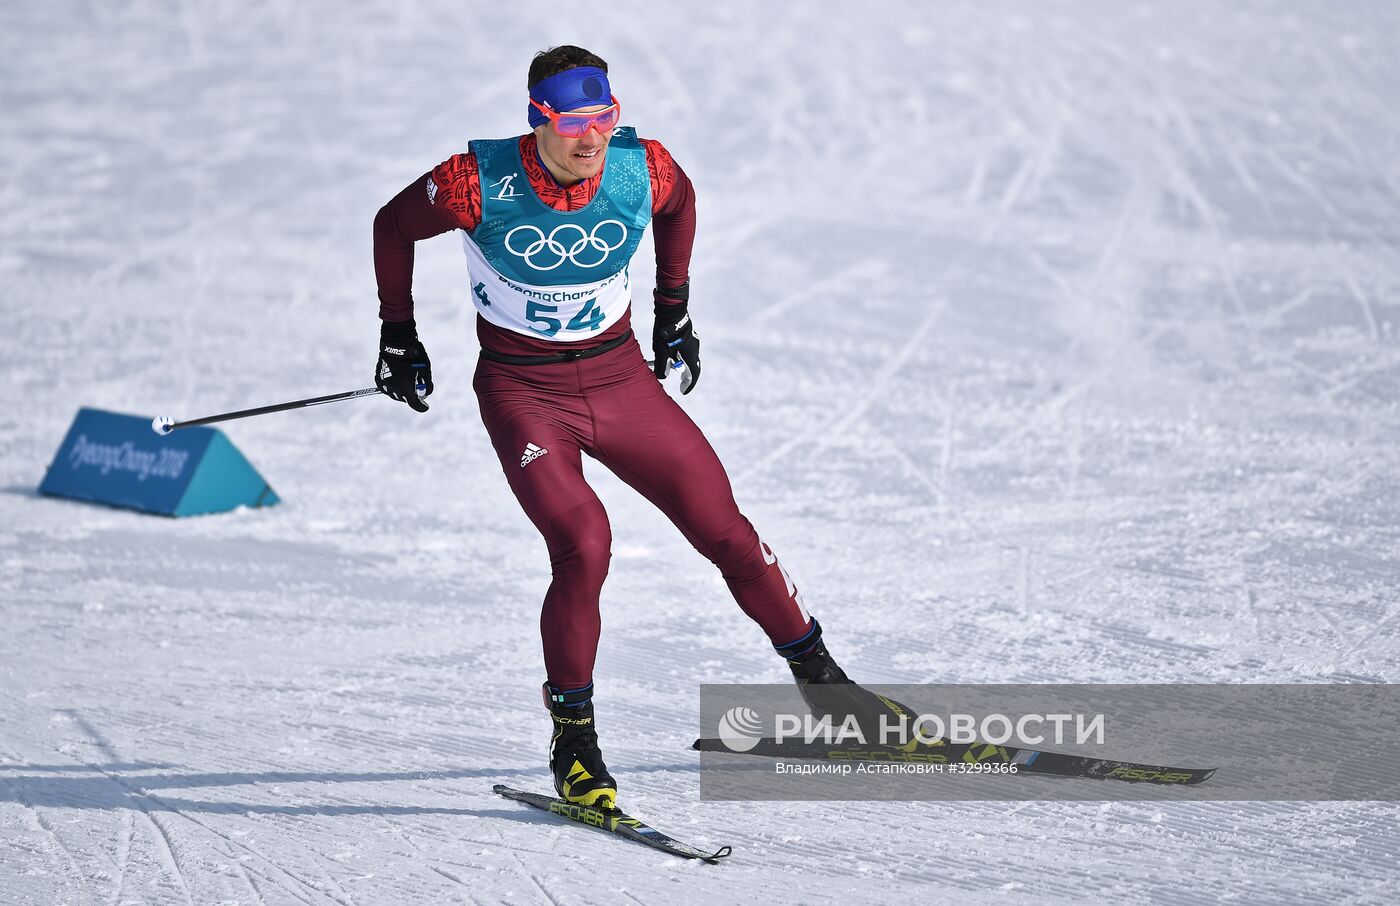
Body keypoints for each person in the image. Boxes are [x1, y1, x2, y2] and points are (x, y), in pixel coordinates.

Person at [372, 45, 904, 811]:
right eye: (573, 122)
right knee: (583, 543)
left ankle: (827, 687)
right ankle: (575, 743)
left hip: (621, 380)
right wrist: (399, 334)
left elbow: (681, 204)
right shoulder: (473, 183)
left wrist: (674, 310)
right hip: (527, 395)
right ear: (538, 119)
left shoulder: (639, 168)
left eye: (604, 118)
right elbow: (392, 226)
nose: (591, 139)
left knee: (724, 529)